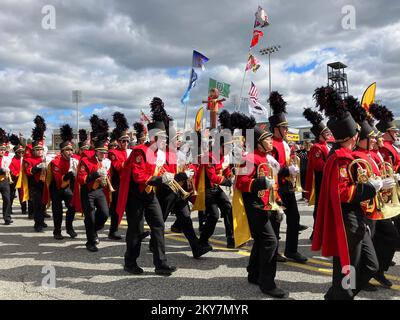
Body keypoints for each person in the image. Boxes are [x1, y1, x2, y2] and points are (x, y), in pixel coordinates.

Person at [312, 87, 380, 300]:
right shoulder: (341, 158)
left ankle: (339, 293)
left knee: (358, 265)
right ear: (353, 135)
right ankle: (342, 294)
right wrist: (371, 188)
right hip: (348, 223)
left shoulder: (344, 155)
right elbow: (342, 192)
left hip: (354, 219)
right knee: (348, 267)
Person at [117, 97, 177, 276]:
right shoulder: (139, 152)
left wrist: (176, 176)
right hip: (136, 194)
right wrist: (160, 179)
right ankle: (129, 262)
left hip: (150, 194)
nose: (166, 140)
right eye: (164, 137)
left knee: (158, 225)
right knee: (135, 229)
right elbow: (138, 176)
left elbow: (163, 170)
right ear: (154, 137)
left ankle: (161, 264)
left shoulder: (159, 154)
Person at [268, 91, 307, 263]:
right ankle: (274, 251)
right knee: (276, 220)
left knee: (294, 218)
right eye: (284, 127)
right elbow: (271, 168)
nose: (286, 130)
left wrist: (293, 170)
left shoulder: (284, 143)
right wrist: (287, 171)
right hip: (276, 186)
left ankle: (292, 250)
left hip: (287, 185)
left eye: (286, 127)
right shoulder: (271, 143)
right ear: (276, 128)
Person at [74, 115, 111, 252]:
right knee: (90, 216)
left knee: (105, 213)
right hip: (88, 191)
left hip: (99, 190)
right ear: (96, 151)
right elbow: (81, 179)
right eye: (101, 152)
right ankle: (90, 242)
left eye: (105, 152)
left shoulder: (104, 161)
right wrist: (95, 174)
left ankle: (94, 230)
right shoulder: (85, 160)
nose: (104, 155)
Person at [43, 124, 77, 240]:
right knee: (57, 211)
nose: (70, 152)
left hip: (67, 188)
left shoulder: (74, 161)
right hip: (57, 188)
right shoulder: (55, 162)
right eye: (67, 150)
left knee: (72, 206)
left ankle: (69, 228)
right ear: (62, 151)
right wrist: (68, 175)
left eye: (71, 149)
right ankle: (57, 231)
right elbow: (59, 182)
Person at [303, 105, 332, 240]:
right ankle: (316, 233)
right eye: (326, 133)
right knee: (320, 208)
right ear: (319, 135)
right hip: (320, 180)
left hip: (327, 179)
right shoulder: (316, 147)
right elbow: (318, 165)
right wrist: (331, 165)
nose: (328, 134)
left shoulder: (326, 145)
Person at [108, 112, 132, 240]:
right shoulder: (113, 152)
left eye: (127, 141)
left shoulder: (130, 151)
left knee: (132, 208)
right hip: (118, 184)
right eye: (123, 141)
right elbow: (118, 167)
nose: (126, 143)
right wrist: (130, 161)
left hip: (129, 183)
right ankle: (113, 231)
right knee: (116, 209)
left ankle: (134, 231)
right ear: (118, 141)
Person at [23, 116, 48, 232]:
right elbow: (28, 172)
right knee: (37, 205)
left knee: (44, 204)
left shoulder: (46, 159)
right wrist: (37, 167)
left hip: (45, 184)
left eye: (41, 149)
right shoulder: (29, 160)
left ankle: (41, 220)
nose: (39, 151)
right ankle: (37, 224)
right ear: (33, 150)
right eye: (37, 149)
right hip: (35, 185)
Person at [8, 135, 27, 216]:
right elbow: (11, 169)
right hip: (14, 179)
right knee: (11, 195)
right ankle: (9, 209)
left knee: (22, 194)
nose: (21, 154)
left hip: (22, 179)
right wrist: (16, 174)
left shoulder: (24, 159)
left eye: (22, 152)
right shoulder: (12, 160)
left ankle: (23, 209)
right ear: (15, 153)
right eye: (19, 152)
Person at [0, 128, 12, 225]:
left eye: (3, 149)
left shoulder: (6, 158)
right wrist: (2, 170)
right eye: (1, 149)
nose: (2, 151)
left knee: (7, 199)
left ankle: (7, 217)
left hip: (4, 181)